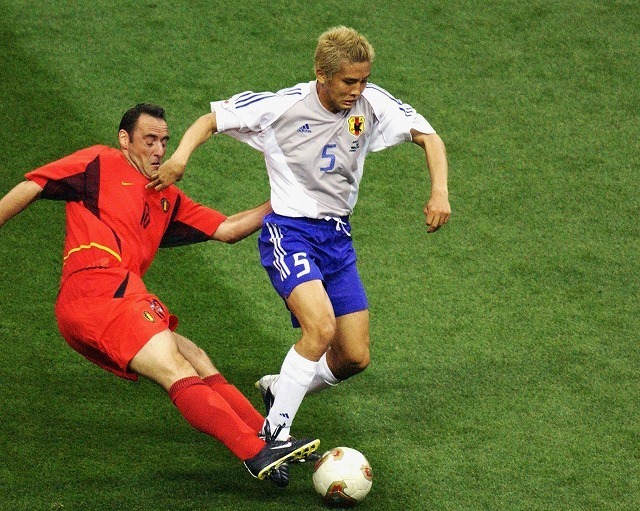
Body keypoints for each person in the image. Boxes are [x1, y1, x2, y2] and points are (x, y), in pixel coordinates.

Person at [147, 26, 451, 442]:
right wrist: (180, 157)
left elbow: (429, 138)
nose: (358, 90)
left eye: (363, 79)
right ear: (321, 73)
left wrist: (439, 191)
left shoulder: (371, 102)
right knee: (320, 329)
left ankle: (280, 388)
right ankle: (273, 436)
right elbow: (211, 120)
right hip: (290, 232)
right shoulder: (283, 106)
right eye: (349, 81)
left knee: (354, 357)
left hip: (337, 239)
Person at [0, 103, 319, 487]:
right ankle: (253, 453)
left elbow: (228, 228)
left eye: (164, 142)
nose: (158, 150)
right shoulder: (99, 163)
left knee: (195, 356)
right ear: (125, 140)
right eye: (149, 140)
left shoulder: (167, 198)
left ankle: (270, 438)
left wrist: (281, 203)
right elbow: (31, 186)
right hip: (97, 290)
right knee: (176, 369)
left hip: (118, 295)